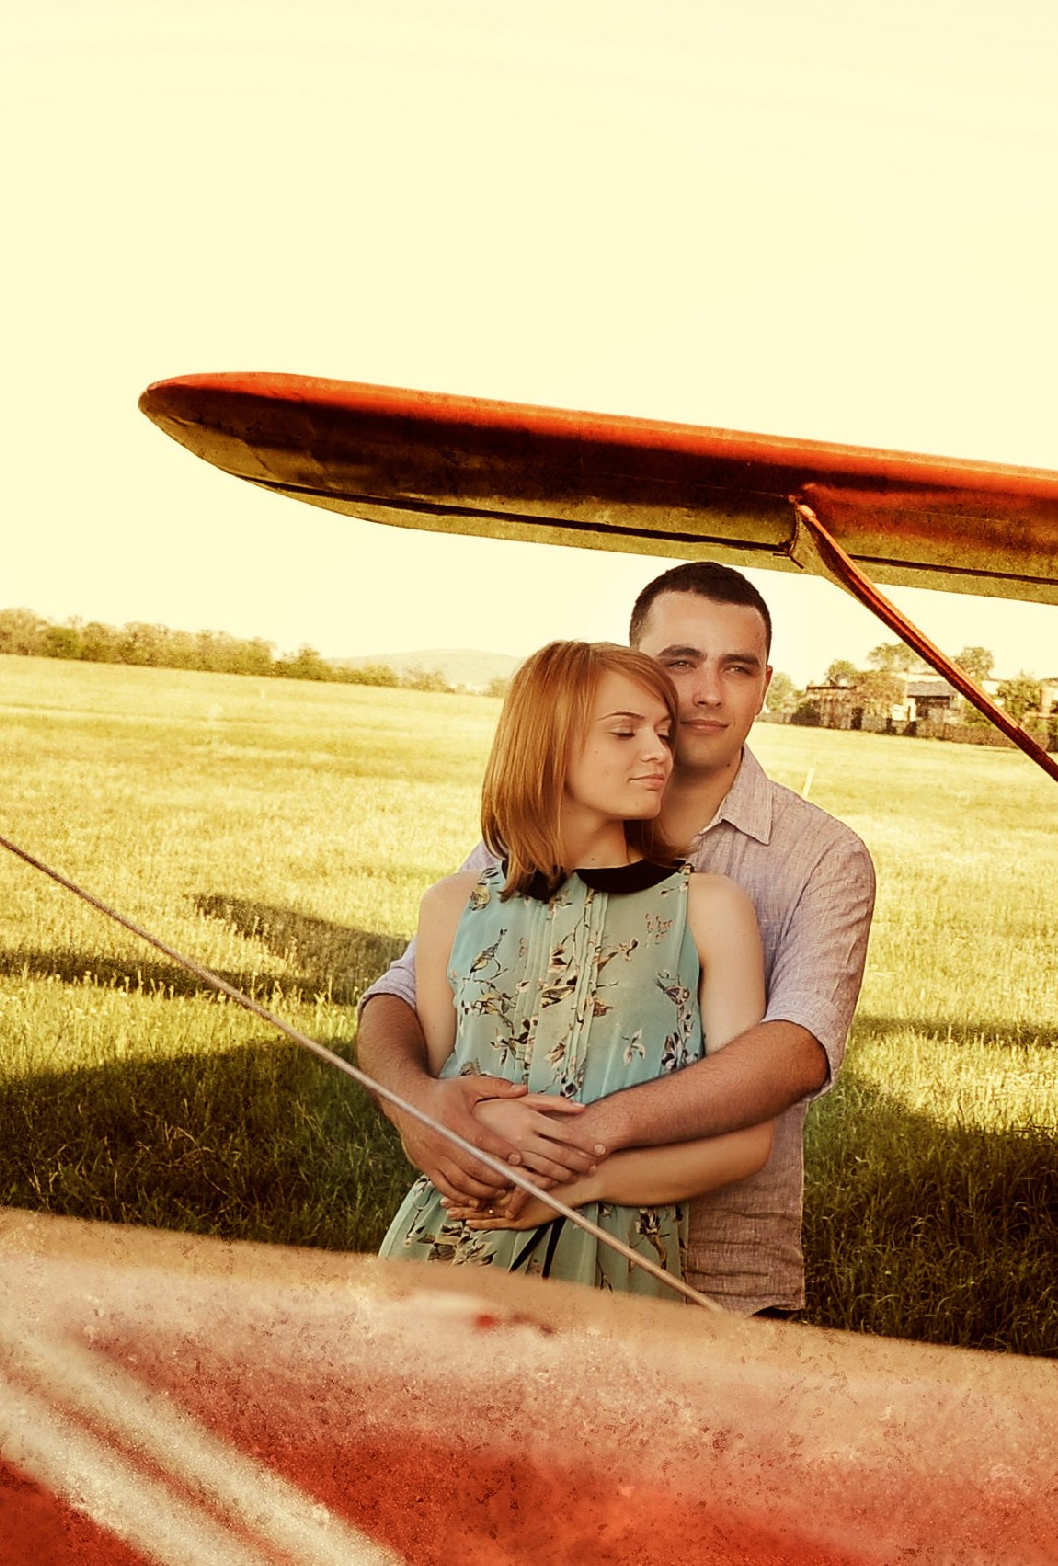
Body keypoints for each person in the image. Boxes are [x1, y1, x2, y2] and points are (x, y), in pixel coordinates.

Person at [358, 562, 875, 1315]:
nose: (706, 692)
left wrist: (583, 1147)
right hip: (470, 1246)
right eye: (679, 663)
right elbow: (405, 996)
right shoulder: (512, 860)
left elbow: (793, 1051)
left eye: (737, 668)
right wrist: (418, 1104)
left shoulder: (817, 858)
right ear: (638, 665)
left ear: (767, 683)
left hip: (714, 1271)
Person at [379, 640, 772, 1297]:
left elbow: (747, 1143)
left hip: (615, 1269)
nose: (659, 752)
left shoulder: (707, 909)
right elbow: (435, 1109)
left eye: (662, 732)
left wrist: (583, 1180)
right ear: (547, 745)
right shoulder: (453, 905)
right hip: (446, 1249)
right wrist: (469, 1129)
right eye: (625, 732)